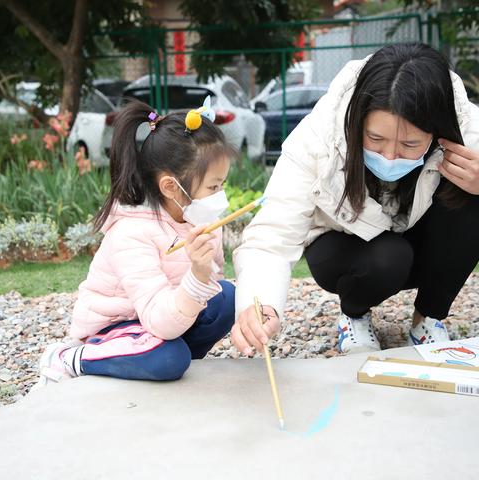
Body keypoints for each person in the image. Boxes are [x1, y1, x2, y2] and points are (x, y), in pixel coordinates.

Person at [232, 42, 479, 356]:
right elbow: (273, 234)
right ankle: (354, 314)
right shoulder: (318, 137)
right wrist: (260, 303)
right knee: (389, 256)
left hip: (423, 249)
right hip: (349, 251)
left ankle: (429, 317)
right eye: (375, 139)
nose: (390, 156)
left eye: (410, 144)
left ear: (437, 130)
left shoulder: (466, 126)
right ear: (357, 120)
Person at [36, 98, 236, 385]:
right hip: (118, 327)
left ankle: (158, 360)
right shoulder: (131, 232)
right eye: (213, 187)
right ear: (170, 186)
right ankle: (72, 357)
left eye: (223, 184)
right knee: (170, 358)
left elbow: (211, 286)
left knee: (227, 299)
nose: (220, 195)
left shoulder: (198, 218)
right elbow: (160, 318)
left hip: (163, 319)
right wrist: (198, 275)